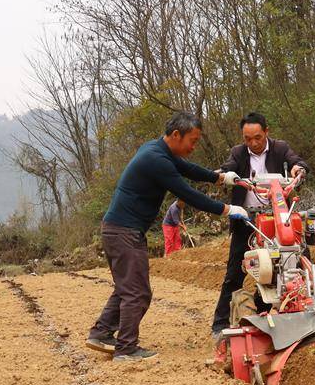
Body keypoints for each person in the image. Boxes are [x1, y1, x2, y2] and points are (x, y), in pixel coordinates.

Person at [88, 112, 248, 361]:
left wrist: (218, 177)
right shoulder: (157, 160)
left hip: (119, 229)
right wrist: (227, 210)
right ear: (176, 135)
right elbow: (187, 192)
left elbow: (189, 169)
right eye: (192, 141)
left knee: (127, 287)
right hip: (124, 231)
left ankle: (101, 333)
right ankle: (127, 348)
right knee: (138, 292)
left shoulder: (157, 150)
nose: (194, 147)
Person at [211, 112, 309, 340]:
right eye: (248, 139)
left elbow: (298, 162)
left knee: (298, 263)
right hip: (247, 220)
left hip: (278, 218)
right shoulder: (238, 153)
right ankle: (220, 324)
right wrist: (224, 175)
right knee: (235, 272)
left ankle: (302, 311)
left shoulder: (280, 148)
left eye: (257, 137)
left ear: (266, 131)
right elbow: (228, 167)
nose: (253, 143)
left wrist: (298, 169)